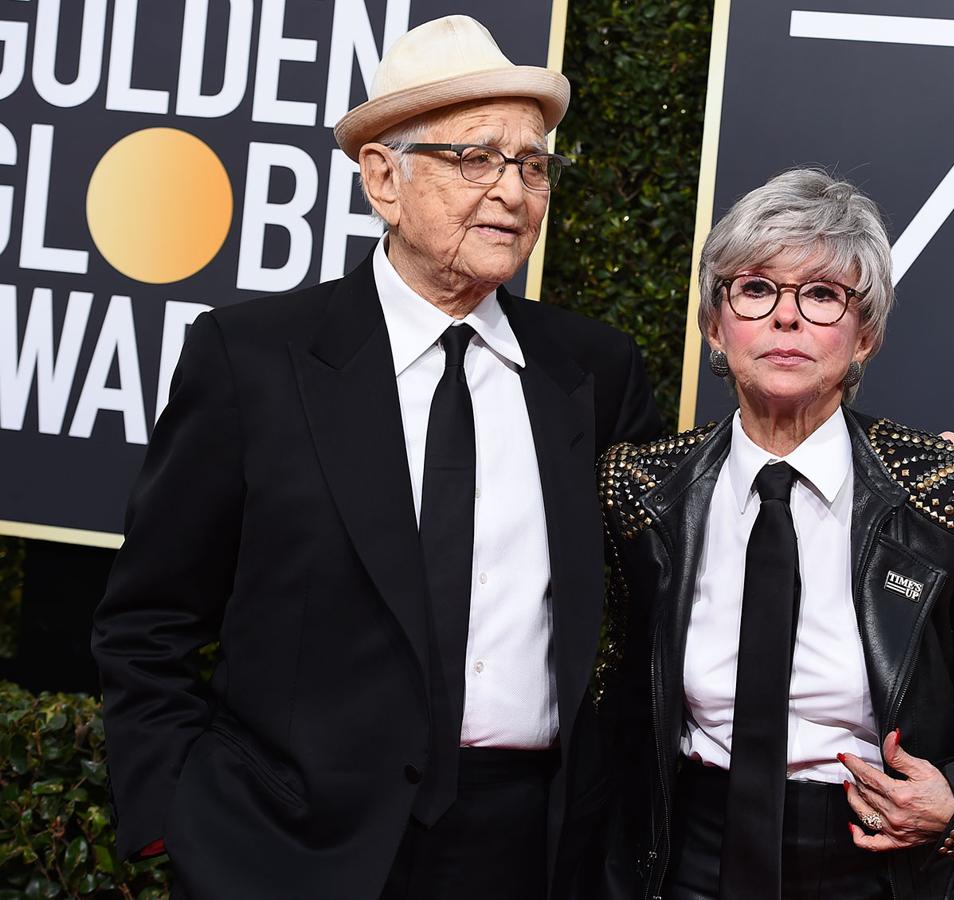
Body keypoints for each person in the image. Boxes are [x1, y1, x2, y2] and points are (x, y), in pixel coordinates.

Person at [91, 16, 662, 900]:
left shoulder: (593, 371)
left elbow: (673, 559)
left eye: (533, 163)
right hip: (284, 852)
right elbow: (148, 620)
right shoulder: (253, 360)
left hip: (526, 854)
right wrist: (177, 822)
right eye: (477, 159)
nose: (513, 192)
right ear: (383, 179)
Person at [597, 168, 954, 900]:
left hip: (882, 864)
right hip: (689, 856)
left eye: (821, 295)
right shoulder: (637, 488)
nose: (786, 318)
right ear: (713, 325)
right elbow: (603, 684)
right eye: (755, 289)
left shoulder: (948, 490)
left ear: (865, 335)